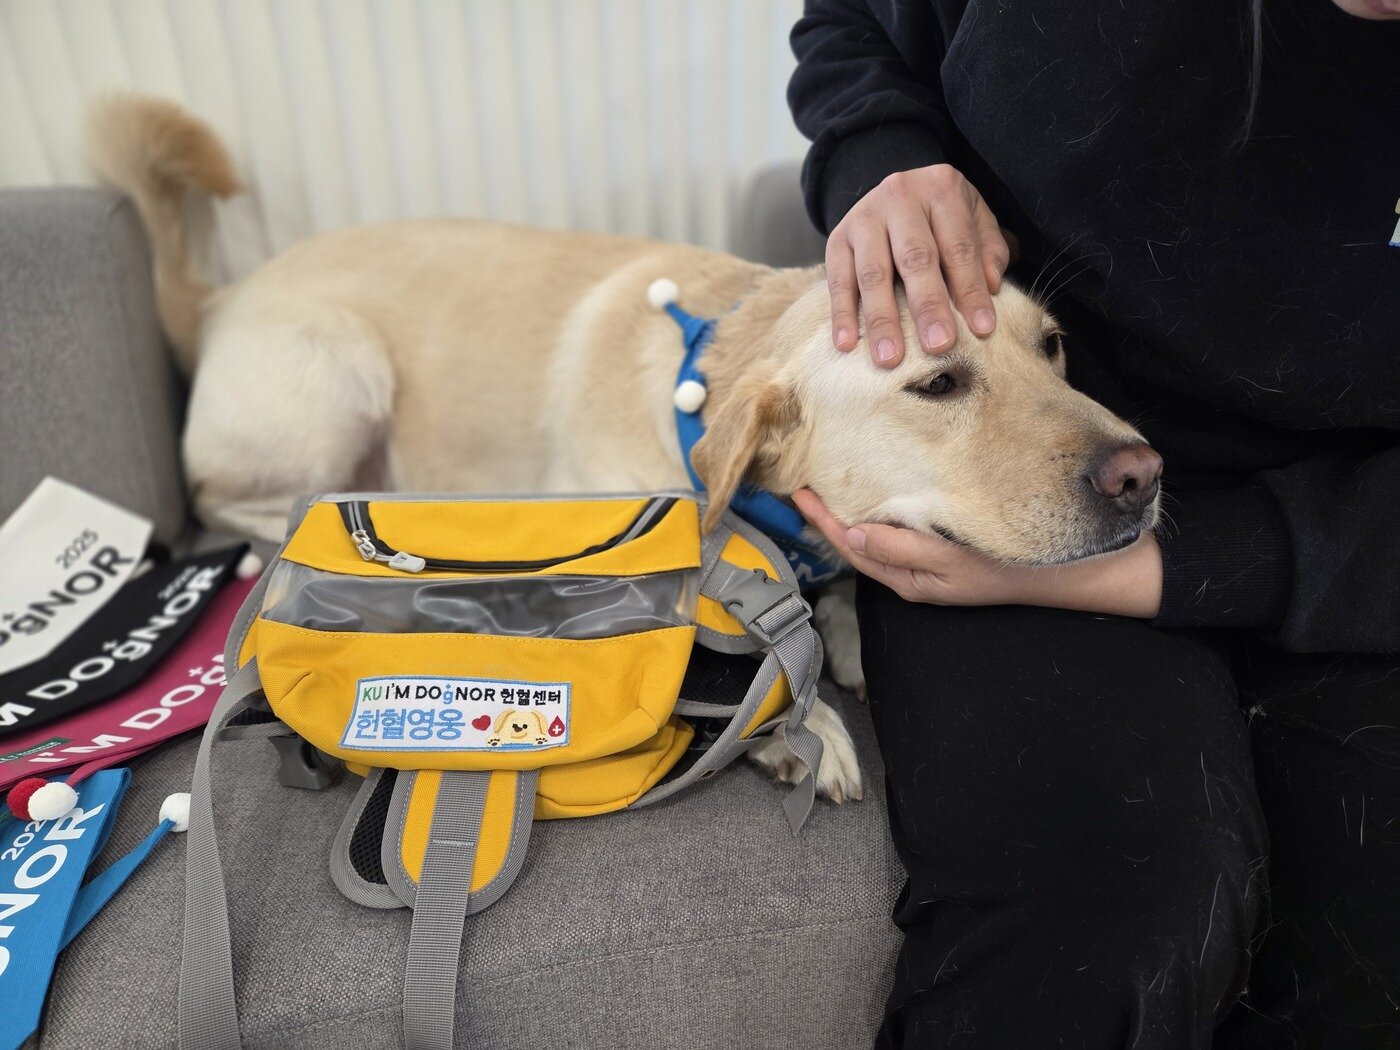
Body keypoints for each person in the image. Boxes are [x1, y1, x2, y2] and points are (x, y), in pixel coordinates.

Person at [786, 1, 1400, 1046]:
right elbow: (850, 20)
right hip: (1007, 477)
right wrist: (879, 155)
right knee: (1113, 910)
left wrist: (1160, 568)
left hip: (1361, 535)